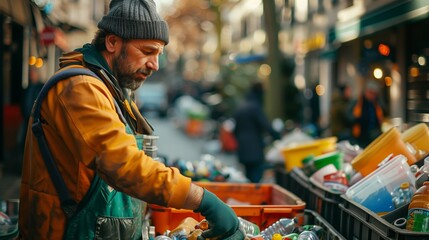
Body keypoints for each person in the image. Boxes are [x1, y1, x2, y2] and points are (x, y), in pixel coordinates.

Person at [18, 1, 242, 239]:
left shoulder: (111, 88)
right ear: (112, 42)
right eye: (147, 52)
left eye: (158, 55)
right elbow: (123, 163)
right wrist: (203, 200)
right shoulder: (81, 87)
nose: (155, 65)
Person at [233, 82, 281, 183]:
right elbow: (266, 125)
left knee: (248, 177)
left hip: (243, 148)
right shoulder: (255, 107)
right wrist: (277, 137)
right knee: (255, 179)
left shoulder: (241, 106)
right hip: (254, 149)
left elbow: (235, 129)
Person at [347, 80, 384, 147]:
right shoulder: (358, 102)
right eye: (370, 92)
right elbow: (348, 116)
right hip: (359, 136)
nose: (372, 95)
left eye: (374, 94)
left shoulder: (376, 104)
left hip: (372, 136)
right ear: (366, 91)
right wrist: (357, 119)